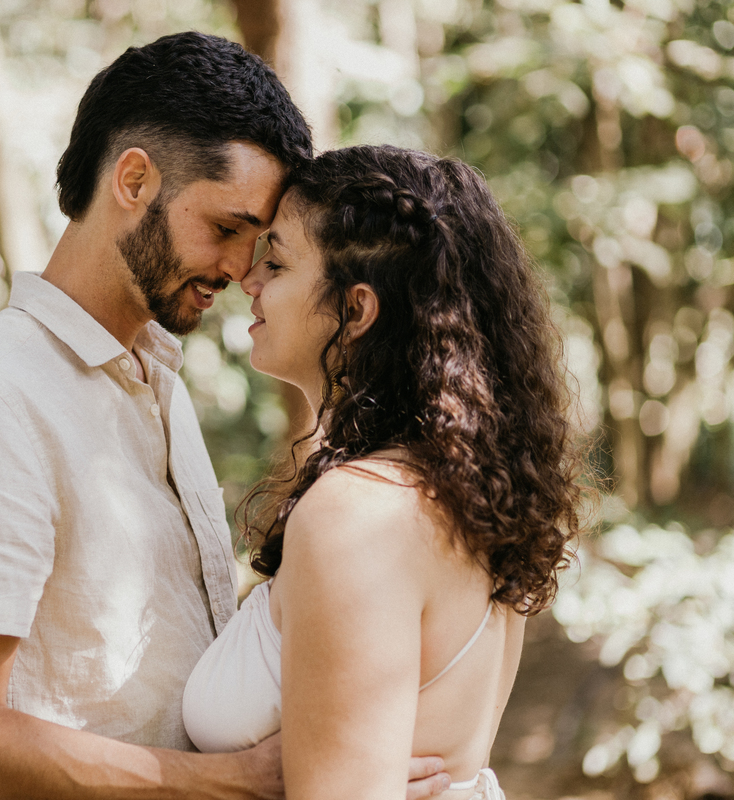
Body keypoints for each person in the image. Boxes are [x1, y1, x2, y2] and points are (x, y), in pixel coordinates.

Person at [0, 34, 451, 800]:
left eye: (258, 246)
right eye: (225, 228)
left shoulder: (159, 382)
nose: (239, 271)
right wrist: (234, 782)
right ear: (133, 179)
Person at [183, 145, 585, 800]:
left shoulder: (358, 514)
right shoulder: (459, 496)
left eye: (277, 261)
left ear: (356, 310)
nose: (249, 280)